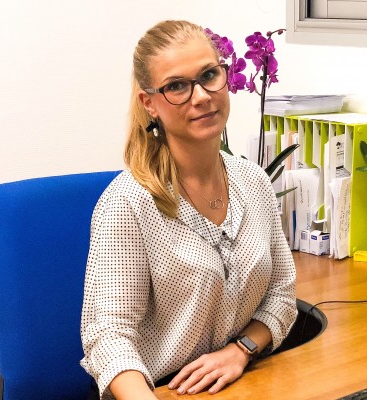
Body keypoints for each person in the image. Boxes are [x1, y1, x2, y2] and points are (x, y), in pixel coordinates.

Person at [80, 20, 297, 400]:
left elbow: (282, 292)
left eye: (209, 75)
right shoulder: (128, 203)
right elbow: (108, 337)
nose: (200, 96)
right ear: (149, 103)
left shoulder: (254, 182)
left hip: (241, 382)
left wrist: (240, 351)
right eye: (177, 86)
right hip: (159, 391)